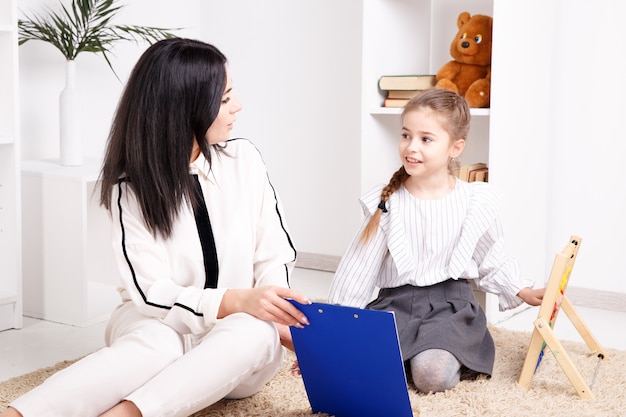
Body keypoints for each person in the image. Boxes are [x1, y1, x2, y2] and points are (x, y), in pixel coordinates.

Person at [2, 37, 310, 417]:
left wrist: (271, 308)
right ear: (187, 108)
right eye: (226, 98)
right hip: (155, 323)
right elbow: (150, 292)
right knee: (158, 346)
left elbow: (274, 253)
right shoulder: (129, 188)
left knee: (255, 332)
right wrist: (234, 299)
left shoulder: (244, 160)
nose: (238, 106)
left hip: (239, 339)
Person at [326, 88, 544, 393]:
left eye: (426, 139)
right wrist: (335, 329)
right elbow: (358, 270)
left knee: (431, 376)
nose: (411, 147)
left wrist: (521, 288)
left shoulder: (474, 201)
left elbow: (489, 258)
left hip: (451, 309)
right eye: (405, 135)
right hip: (394, 306)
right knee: (359, 366)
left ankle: (445, 355)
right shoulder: (387, 202)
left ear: (455, 147)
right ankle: (401, 358)